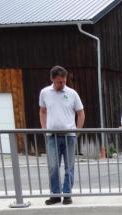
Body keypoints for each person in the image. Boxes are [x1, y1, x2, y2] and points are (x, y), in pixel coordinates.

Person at [39, 65, 85, 205]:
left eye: (64, 81)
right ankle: (55, 194)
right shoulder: (45, 92)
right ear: (52, 79)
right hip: (52, 136)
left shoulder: (72, 93)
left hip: (69, 135)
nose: (62, 84)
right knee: (53, 166)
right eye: (59, 82)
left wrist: (77, 131)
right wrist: (44, 129)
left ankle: (67, 194)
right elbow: (42, 111)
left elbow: (81, 112)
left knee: (69, 166)